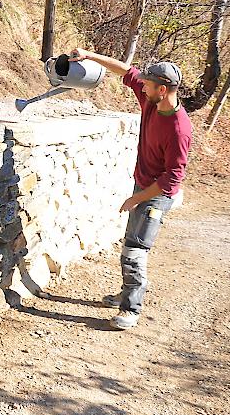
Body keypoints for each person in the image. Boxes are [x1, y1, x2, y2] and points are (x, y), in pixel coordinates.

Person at [69, 48, 192, 330]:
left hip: (156, 195)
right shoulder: (151, 101)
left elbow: (172, 178)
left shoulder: (179, 129)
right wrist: (88, 55)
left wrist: (136, 198)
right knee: (129, 242)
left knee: (135, 251)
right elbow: (126, 71)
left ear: (162, 89)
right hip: (142, 185)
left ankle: (131, 309)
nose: (142, 85)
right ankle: (124, 295)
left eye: (148, 84)